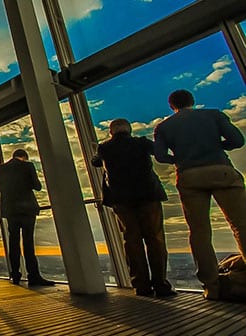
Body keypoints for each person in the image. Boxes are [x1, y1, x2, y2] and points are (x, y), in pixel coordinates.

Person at [154, 89, 246, 300]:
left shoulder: (164, 127)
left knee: (199, 232)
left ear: (171, 106)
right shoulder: (213, 115)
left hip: (189, 176)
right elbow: (237, 140)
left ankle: (211, 286)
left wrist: (179, 159)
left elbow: (160, 156)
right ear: (192, 101)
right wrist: (218, 146)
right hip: (220, 169)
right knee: (241, 225)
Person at [92, 118, 176, 297]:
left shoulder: (104, 148)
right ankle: (160, 284)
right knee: (155, 239)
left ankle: (141, 285)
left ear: (111, 132)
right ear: (129, 130)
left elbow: (96, 162)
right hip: (148, 195)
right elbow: (159, 152)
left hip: (121, 199)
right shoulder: (141, 143)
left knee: (131, 241)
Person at [0, 149, 54, 286]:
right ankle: (33, 276)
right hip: (27, 209)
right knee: (28, 243)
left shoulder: (1, 169)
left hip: (11, 210)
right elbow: (37, 186)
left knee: (13, 242)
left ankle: (15, 275)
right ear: (24, 157)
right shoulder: (27, 166)